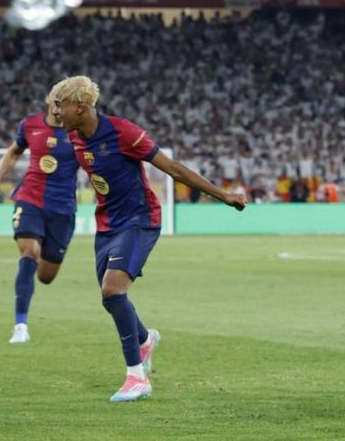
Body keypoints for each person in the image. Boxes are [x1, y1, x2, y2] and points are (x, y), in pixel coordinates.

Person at [50, 76, 247, 402]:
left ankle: (136, 377)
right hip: (107, 225)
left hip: (140, 220)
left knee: (112, 290)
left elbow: (173, 169)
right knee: (111, 299)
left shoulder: (123, 132)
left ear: (81, 106)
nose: (55, 112)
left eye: (60, 105)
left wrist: (223, 196)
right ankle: (144, 339)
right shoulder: (73, 137)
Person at [0, 92, 79, 344]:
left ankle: (40, 263)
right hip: (29, 199)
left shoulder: (79, 132)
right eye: (56, 100)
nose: (59, 106)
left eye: (65, 102)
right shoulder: (30, 125)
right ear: (48, 100)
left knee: (46, 276)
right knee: (29, 252)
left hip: (63, 208)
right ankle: (20, 326)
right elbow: (14, 152)